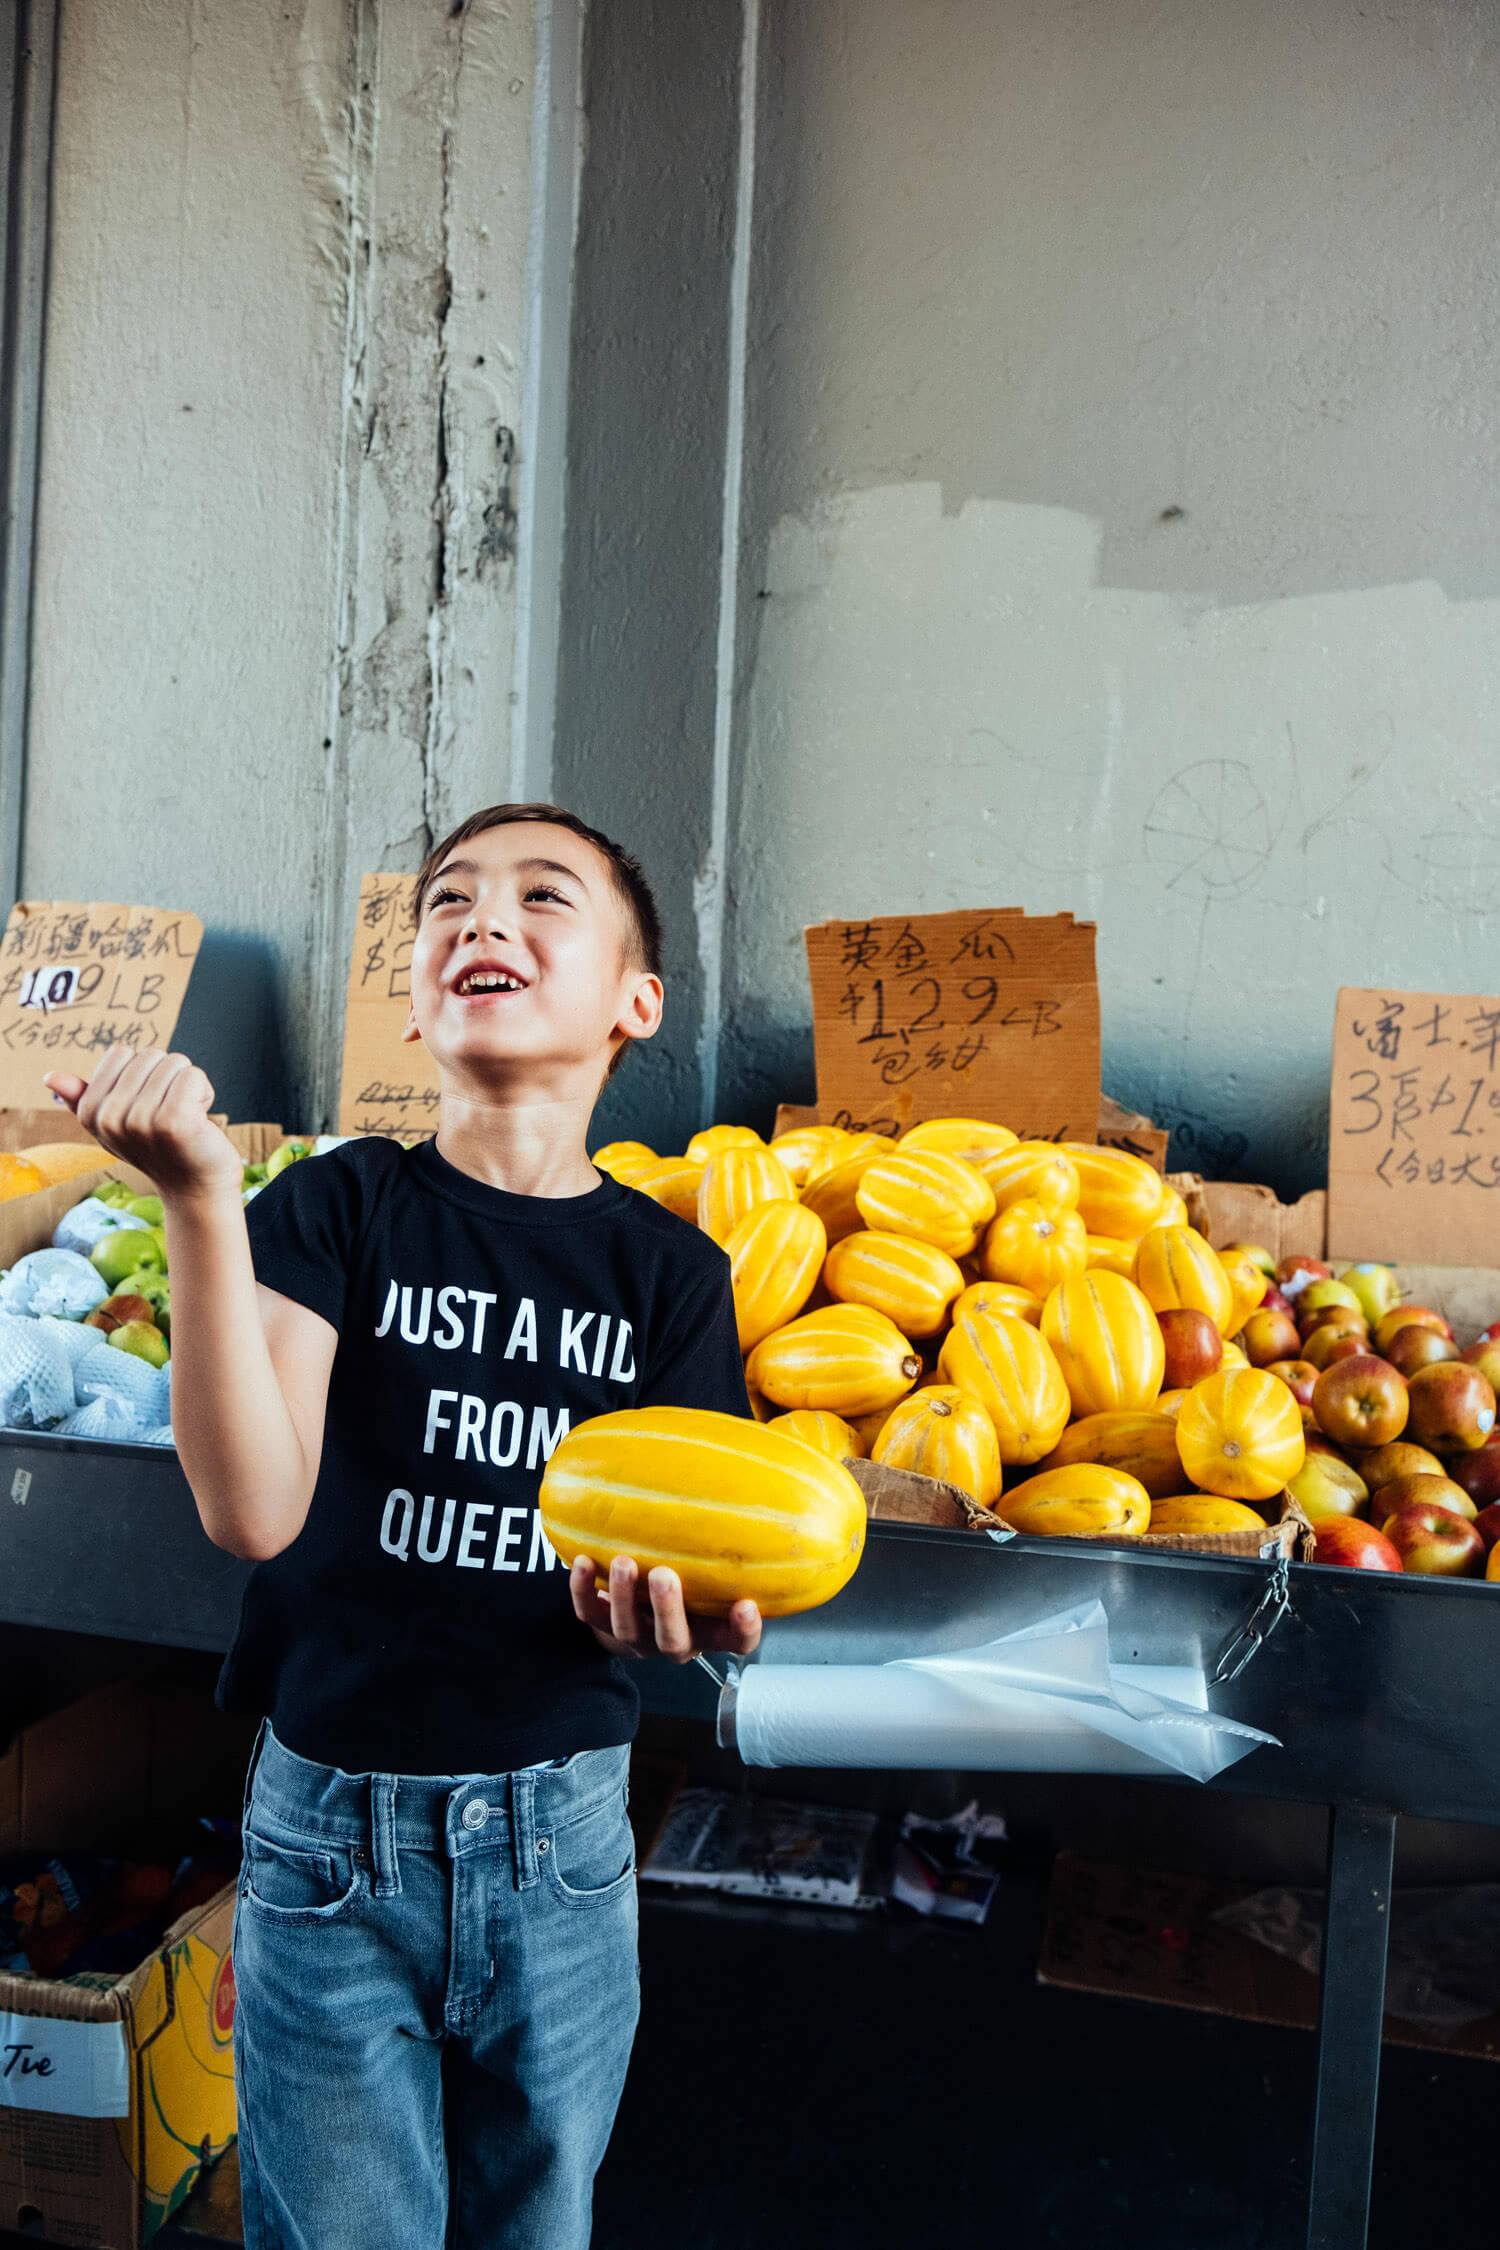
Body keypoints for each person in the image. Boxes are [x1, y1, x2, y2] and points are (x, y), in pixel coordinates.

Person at [43, 803, 762, 2250]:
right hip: (328, 1845)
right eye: (448, 903)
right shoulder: (334, 1207)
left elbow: (715, 1552)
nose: (481, 922)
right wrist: (197, 1201)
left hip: (563, 1845)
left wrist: (706, 1614)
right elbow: (251, 1510)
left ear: (639, 1001)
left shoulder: (672, 1274)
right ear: (418, 983)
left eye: (541, 896)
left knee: (536, 2227)